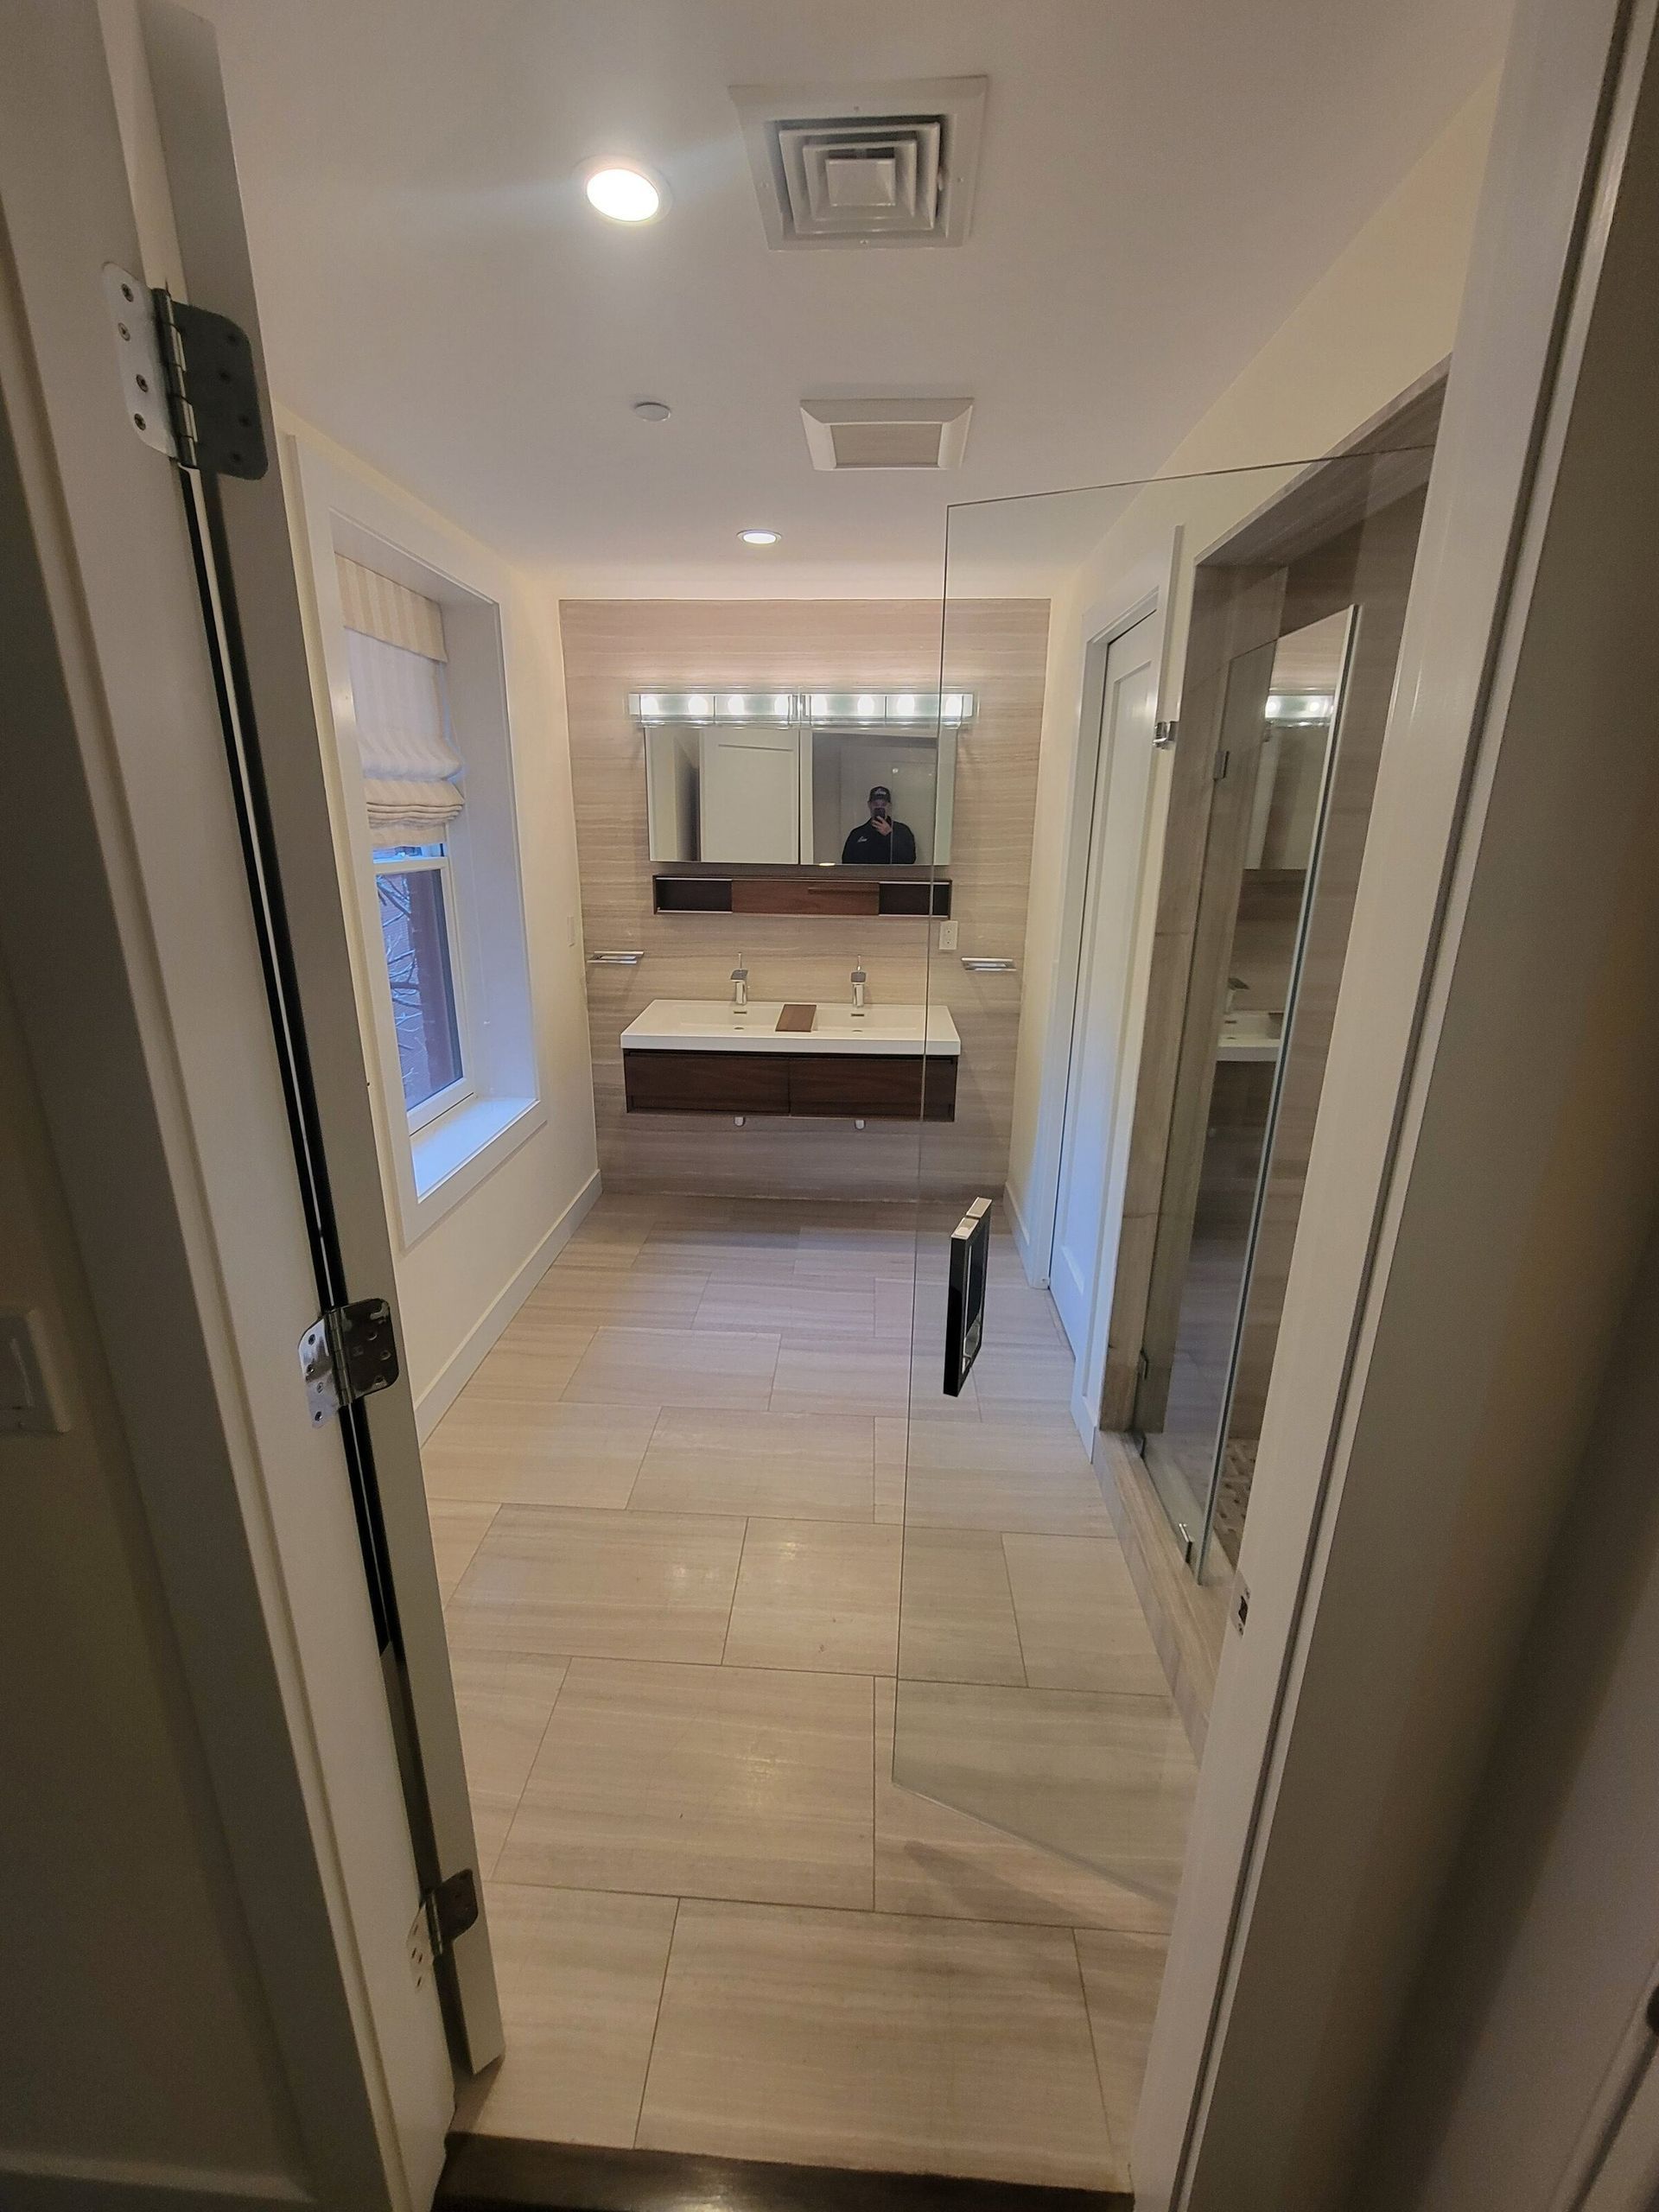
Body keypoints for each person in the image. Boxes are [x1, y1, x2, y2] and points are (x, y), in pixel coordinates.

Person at [841, 784, 917, 865]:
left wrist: (889, 836)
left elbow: (909, 859)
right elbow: (846, 863)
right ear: (869, 805)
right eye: (876, 804)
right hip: (866, 877)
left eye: (884, 805)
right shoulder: (857, 834)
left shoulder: (902, 831)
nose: (880, 808)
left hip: (892, 876)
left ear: (889, 806)